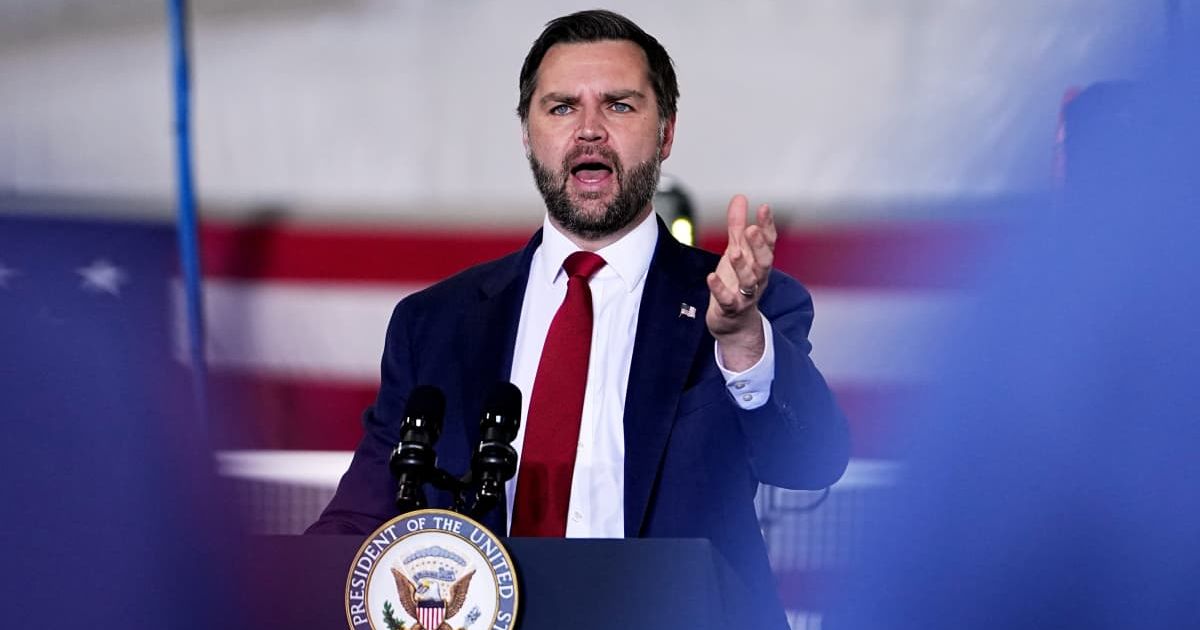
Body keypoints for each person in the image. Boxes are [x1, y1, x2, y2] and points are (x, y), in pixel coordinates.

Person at [309, 10, 849, 627]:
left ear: (666, 131)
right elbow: (363, 516)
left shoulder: (747, 305)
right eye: (562, 107)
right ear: (527, 132)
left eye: (619, 105)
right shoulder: (435, 324)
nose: (589, 131)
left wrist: (743, 339)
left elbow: (811, 462)